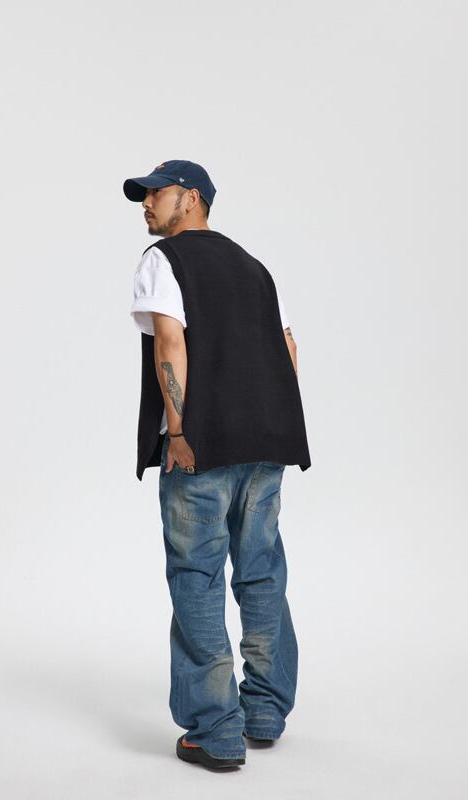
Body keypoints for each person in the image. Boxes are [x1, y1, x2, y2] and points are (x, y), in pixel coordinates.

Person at [123, 159, 311, 770]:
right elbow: (287, 346)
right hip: (266, 441)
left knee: (196, 576)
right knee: (261, 569)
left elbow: (170, 342)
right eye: (144, 195)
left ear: (193, 197)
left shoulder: (164, 259)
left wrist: (179, 431)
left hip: (201, 446)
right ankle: (265, 711)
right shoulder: (253, 266)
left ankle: (216, 729)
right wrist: (269, 419)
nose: (147, 203)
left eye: (157, 193)